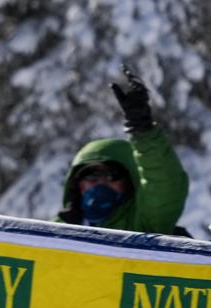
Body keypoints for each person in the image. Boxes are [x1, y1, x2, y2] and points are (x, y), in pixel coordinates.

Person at [57, 64, 189, 235]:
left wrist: (142, 129)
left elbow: (164, 187)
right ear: (78, 185)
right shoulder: (53, 234)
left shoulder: (144, 224)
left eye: (112, 175)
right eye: (91, 175)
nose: (101, 183)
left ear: (128, 183)